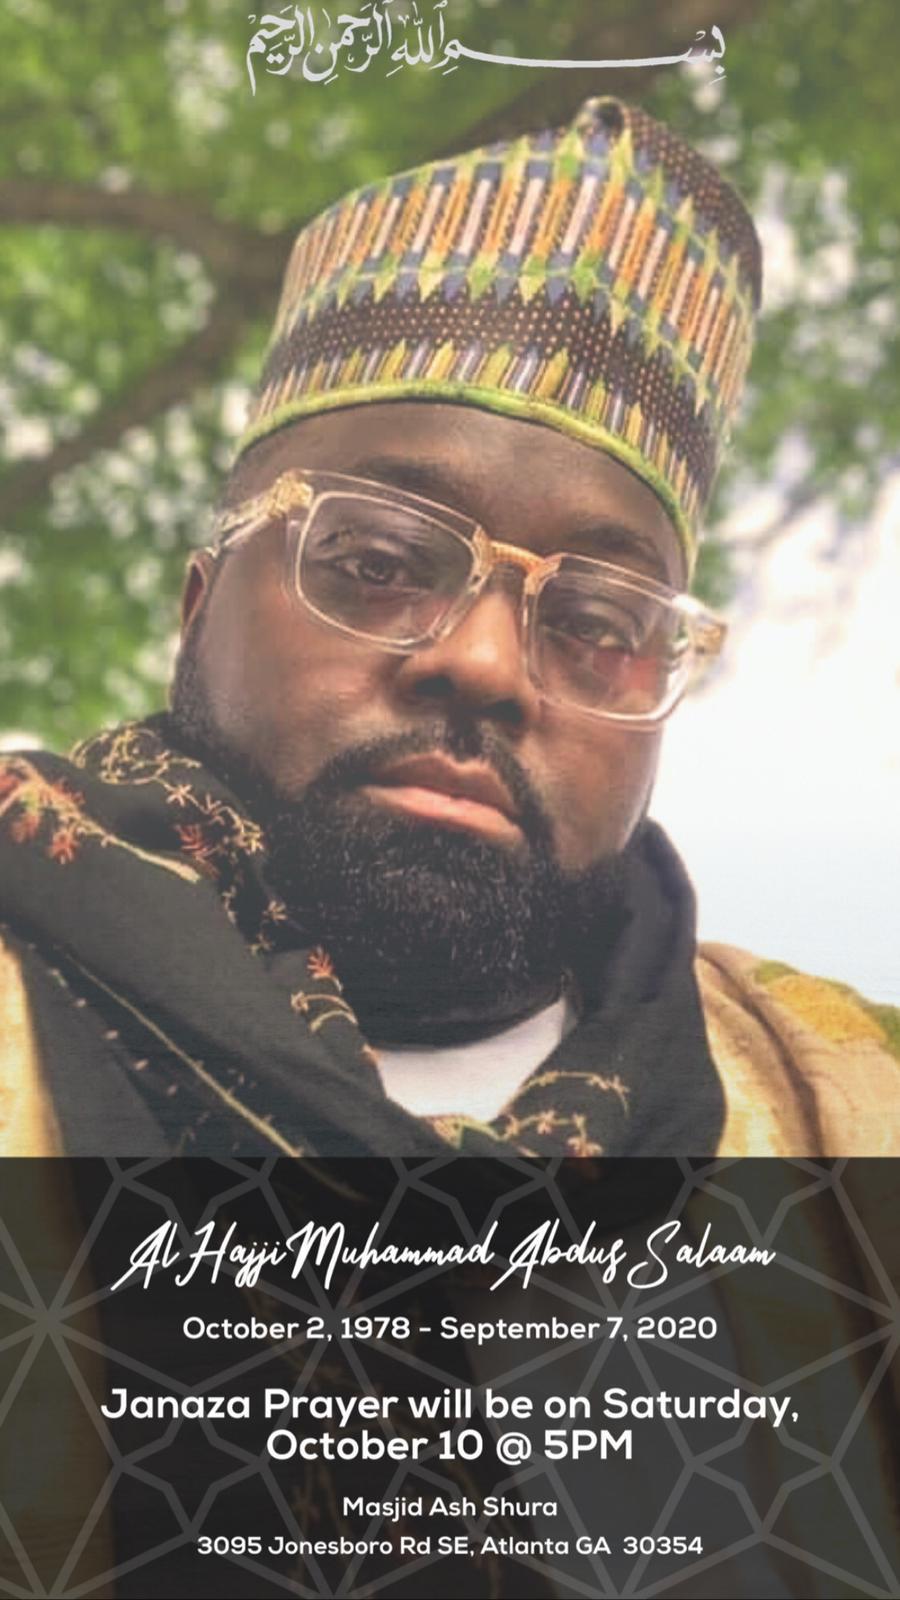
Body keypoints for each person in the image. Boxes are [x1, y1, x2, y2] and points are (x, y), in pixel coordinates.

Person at [1, 94, 898, 1157]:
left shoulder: (845, 1101)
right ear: (197, 610)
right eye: (377, 564)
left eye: (596, 621)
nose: (483, 663)